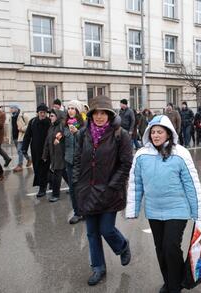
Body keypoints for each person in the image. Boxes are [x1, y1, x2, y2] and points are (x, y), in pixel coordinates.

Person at [126, 115, 201, 293]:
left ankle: (175, 285)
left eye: (160, 132)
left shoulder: (180, 153)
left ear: (168, 134)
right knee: (161, 249)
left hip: (177, 209)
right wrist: (132, 209)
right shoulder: (141, 155)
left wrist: (199, 214)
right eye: (153, 132)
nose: (156, 135)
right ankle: (170, 281)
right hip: (154, 211)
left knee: (171, 246)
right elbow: (135, 183)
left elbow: (192, 185)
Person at [73, 95, 132, 286]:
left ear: (109, 114)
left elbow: (126, 164)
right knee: (91, 232)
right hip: (88, 190)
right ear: (90, 115)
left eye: (103, 113)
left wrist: (112, 185)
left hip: (109, 191)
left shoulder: (120, 135)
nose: (99, 117)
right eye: (95, 113)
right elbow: (77, 158)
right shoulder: (83, 133)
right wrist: (76, 181)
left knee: (106, 229)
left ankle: (122, 246)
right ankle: (98, 267)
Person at [22, 103, 51, 197]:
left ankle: (42, 189)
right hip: (35, 150)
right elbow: (27, 136)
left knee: (44, 169)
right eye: (41, 112)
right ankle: (50, 180)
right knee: (37, 169)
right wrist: (24, 148)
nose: (43, 114)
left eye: (44, 112)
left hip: (47, 150)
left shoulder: (49, 122)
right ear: (37, 112)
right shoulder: (33, 121)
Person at [64, 101, 85, 224]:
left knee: (82, 188)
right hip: (69, 160)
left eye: (73, 108)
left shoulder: (83, 126)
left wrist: (76, 133)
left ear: (78, 111)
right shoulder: (65, 125)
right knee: (72, 188)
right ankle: (77, 212)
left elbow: (86, 142)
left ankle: (85, 211)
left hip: (81, 161)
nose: (70, 110)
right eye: (69, 108)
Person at [42, 109, 68, 203]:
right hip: (54, 154)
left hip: (60, 154)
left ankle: (55, 195)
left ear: (57, 117)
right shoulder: (51, 127)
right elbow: (47, 142)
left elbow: (64, 135)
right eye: (50, 115)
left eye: (52, 116)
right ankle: (74, 188)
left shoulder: (62, 126)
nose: (50, 117)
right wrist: (45, 155)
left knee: (57, 174)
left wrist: (59, 137)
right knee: (64, 172)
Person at [9, 105, 32, 172]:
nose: (10, 109)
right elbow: (11, 127)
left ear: (16, 108)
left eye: (12, 108)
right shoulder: (11, 116)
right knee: (22, 151)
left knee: (19, 150)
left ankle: (20, 165)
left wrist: (22, 129)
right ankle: (29, 159)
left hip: (22, 136)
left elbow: (29, 125)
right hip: (15, 137)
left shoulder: (23, 115)